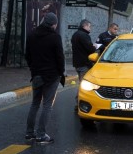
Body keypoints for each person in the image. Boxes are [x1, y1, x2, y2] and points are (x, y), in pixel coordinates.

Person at [24, 12, 65, 144]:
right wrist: (61, 72)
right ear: (53, 24)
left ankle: (29, 133)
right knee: (47, 105)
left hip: (36, 75)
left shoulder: (31, 35)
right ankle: (41, 134)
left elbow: (27, 55)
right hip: (51, 76)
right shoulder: (55, 37)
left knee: (35, 103)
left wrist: (33, 69)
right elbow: (60, 57)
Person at [71, 19, 97, 111]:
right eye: (89, 26)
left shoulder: (75, 34)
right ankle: (79, 104)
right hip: (84, 63)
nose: (90, 28)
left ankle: (79, 103)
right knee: (83, 85)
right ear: (84, 26)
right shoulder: (84, 35)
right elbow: (90, 49)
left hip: (77, 63)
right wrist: (94, 46)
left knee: (81, 83)